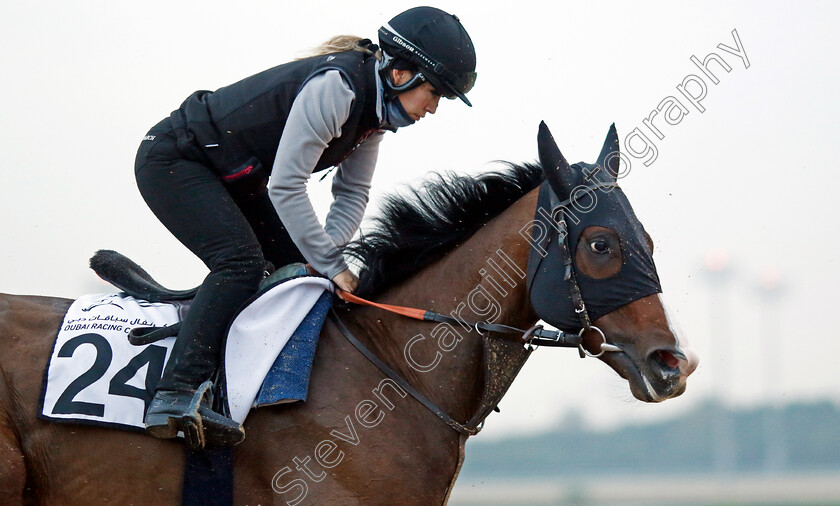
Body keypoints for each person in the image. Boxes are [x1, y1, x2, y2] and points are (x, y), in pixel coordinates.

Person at [134, 6, 477, 447]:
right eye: (434, 93)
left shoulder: (374, 119)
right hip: (176, 162)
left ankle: (241, 392)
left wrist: (324, 261)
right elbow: (287, 186)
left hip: (233, 175)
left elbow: (352, 194)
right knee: (240, 264)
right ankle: (174, 394)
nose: (433, 108)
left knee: (298, 275)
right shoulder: (336, 89)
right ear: (400, 73)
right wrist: (333, 264)